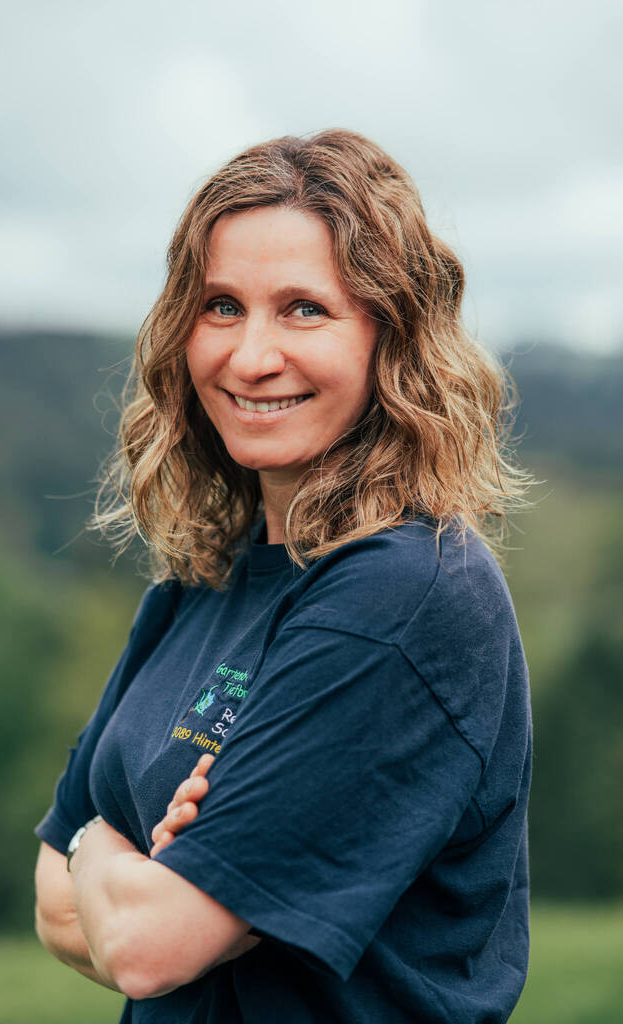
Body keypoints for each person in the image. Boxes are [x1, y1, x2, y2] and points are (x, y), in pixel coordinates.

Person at [34, 128, 535, 1024]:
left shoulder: (403, 594)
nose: (250, 356)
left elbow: (146, 948)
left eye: (304, 309)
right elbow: (51, 910)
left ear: (392, 337)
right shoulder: (201, 581)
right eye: (221, 306)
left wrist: (97, 846)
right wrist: (131, 870)